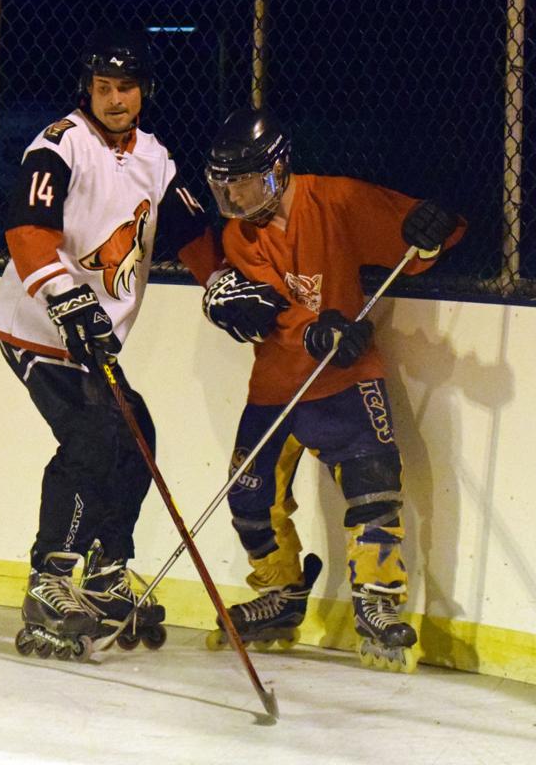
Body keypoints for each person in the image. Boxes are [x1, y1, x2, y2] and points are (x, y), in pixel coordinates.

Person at [198, 107, 466, 672]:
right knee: (249, 500)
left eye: (247, 183)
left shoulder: (338, 200)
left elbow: (413, 242)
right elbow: (277, 310)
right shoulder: (238, 236)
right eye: (228, 188)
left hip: (347, 378)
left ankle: (377, 602)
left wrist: (432, 233)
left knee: (373, 488)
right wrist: (319, 329)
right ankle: (283, 595)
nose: (240, 198)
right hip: (276, 383)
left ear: (278, 169)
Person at [0, 26, 224, 659]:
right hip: (37, 327)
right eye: (103, 87)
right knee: (93, 433)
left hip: (94, 338)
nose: (115, 99)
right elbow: (27, 231)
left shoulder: (156, 158)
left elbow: (189, 232)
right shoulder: (60, 145)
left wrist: (222, 284)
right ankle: (50, 579)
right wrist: (65, 298)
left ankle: (106, 570)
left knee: (136, 431)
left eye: (126, 87)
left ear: (144, 91)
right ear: (86, 90)